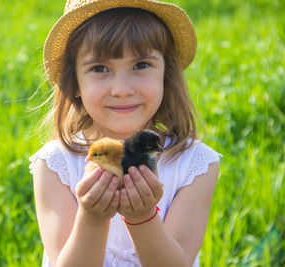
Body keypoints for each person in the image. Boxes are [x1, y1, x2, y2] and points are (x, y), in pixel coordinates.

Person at [29, 0, 221, 266]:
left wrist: (142, 217)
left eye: (141, 65)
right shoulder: (55, 165)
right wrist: (92, 217)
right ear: (74, 83)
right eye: (99, 68)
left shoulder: (193, 164)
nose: (121, 89)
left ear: (166, 74)